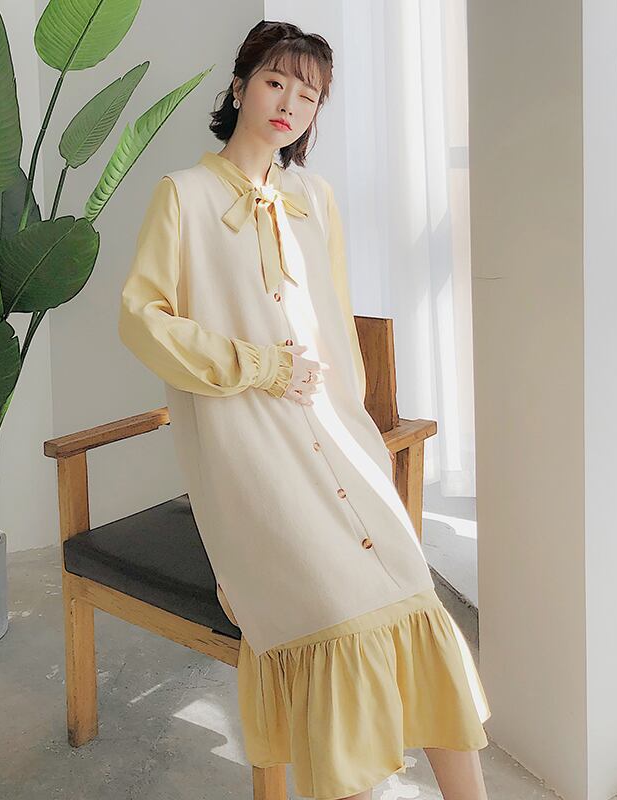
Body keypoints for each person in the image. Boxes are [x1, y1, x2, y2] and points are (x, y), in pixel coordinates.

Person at [118, 19, 491, 800]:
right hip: (252, 456)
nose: (291, 102)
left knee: (416, 603)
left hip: (339, 446)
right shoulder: (183, 196)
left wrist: (365, 447)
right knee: (335, 623)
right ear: (240, 87)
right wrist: (257, 365)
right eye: (276, 81)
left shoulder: (315, 200)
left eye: (310, 93)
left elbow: (336, 332)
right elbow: (141, 321)